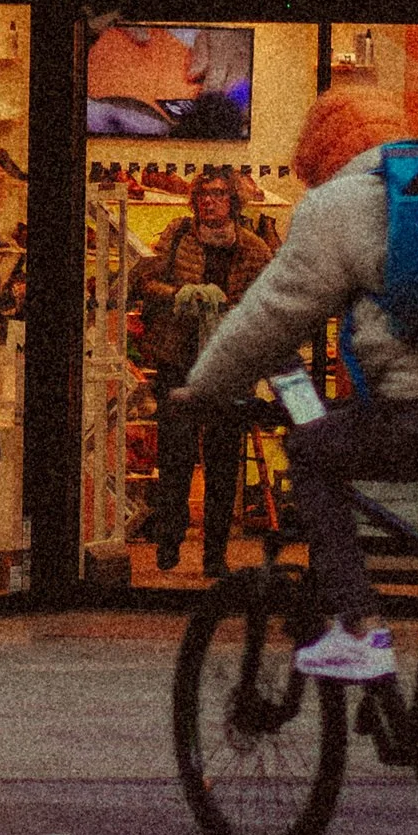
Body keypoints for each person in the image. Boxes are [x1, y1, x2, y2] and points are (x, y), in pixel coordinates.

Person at [163, 90, 418, 681]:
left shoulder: (341, 202)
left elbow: (272, 315)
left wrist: (205, 388)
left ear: (320, 150)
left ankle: (359, 629)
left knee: (311, 453)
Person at [138, 171, 272, 577]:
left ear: (233, 201)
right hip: (178, 360)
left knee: (222, 462)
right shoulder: (178, 237)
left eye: (218, 195)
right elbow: (145, 283)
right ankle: (169, 539)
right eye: (203, 195)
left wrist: (231, 314)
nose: (209, 202)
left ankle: (215, 552)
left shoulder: (253, 248)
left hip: (228, 367)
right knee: (175, 456)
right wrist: (179, 296)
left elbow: (263, 304)